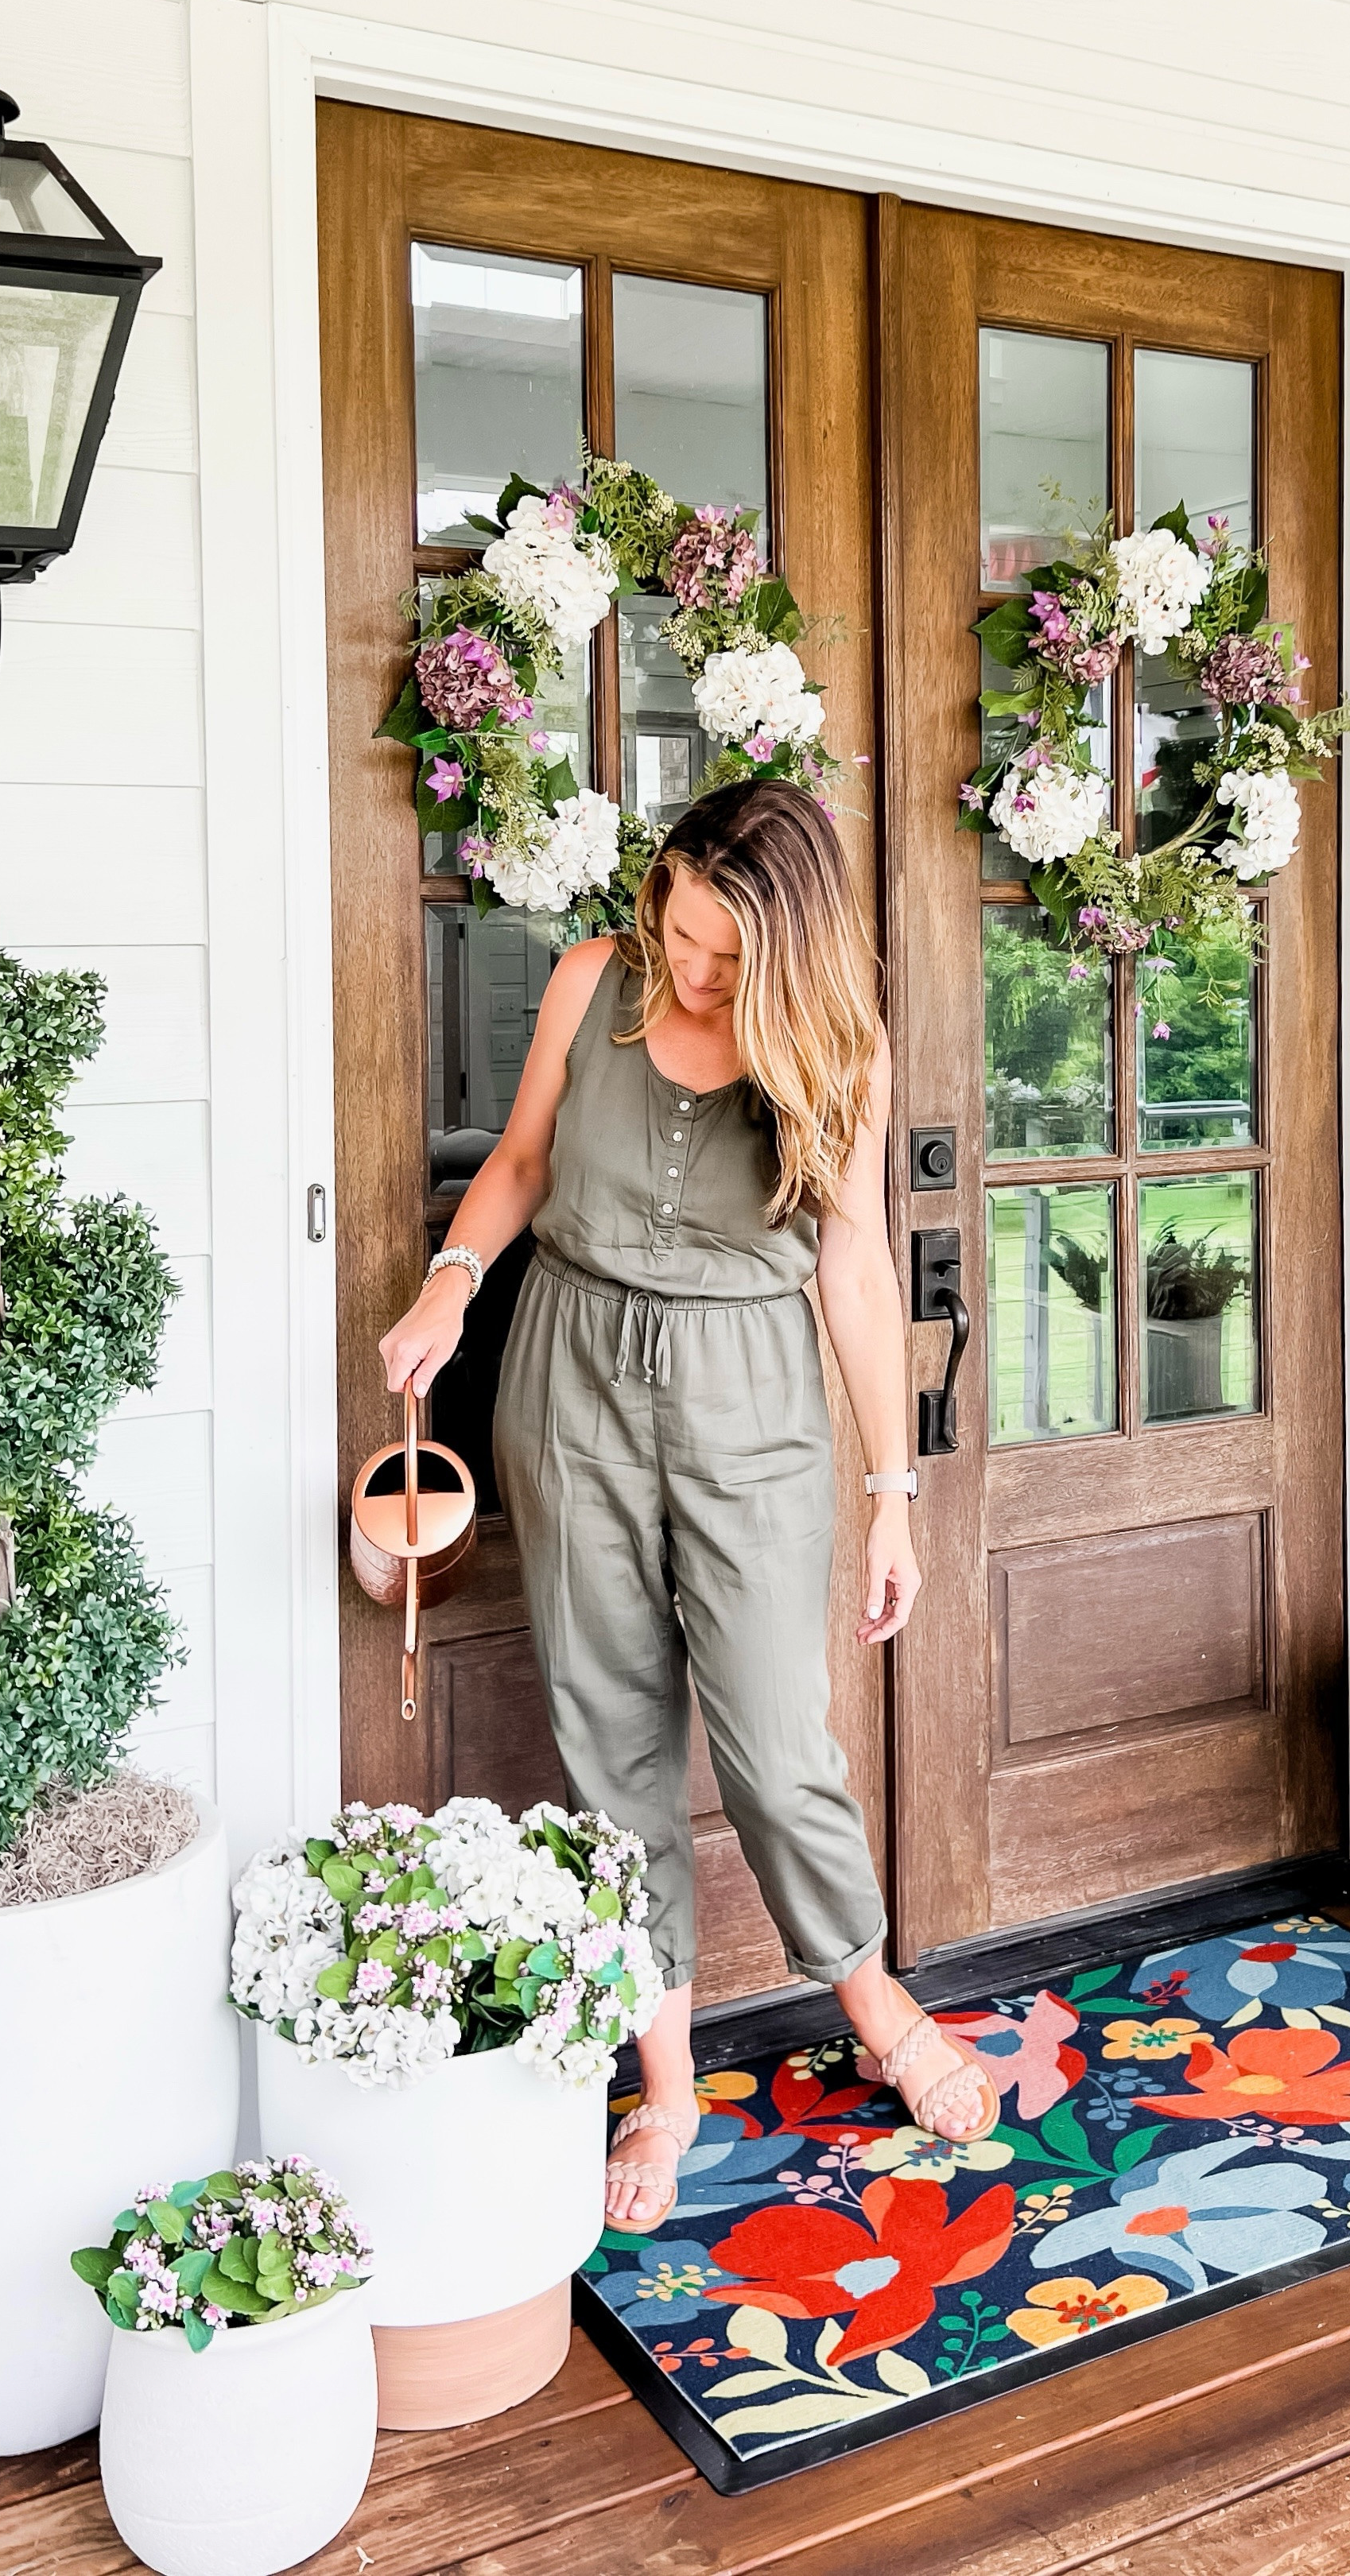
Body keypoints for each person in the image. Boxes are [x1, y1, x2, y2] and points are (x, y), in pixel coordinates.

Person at [378, 781, 996, 2233]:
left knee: (776, 1745)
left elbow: (855, 1270)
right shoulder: (595, 980)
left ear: (789, 947)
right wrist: (451, 1282)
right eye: (682, 928)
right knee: (612, 1740)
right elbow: (521, 1163)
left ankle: (876, 2003)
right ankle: (666, 2083)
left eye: (727, 952)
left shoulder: (839, 1046)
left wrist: (892, 1494)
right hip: (569, 1376)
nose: (695, 968)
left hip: (751, 1398)